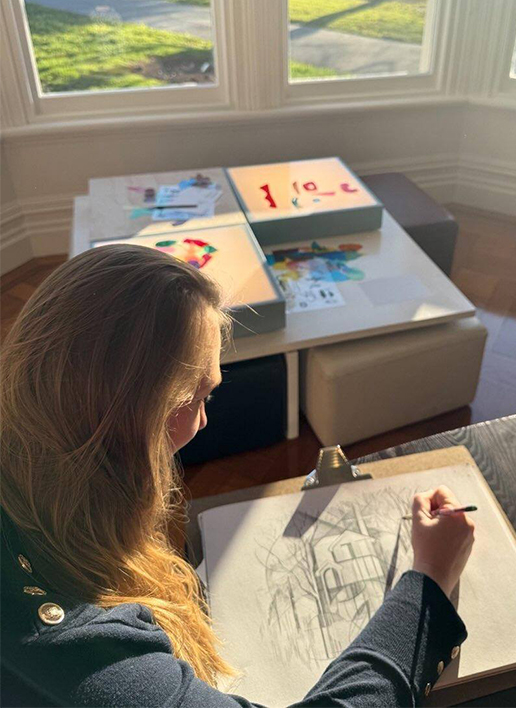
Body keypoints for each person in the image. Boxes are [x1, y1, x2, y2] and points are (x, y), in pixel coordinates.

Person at [0, 245, 473, 706]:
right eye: (196, 397)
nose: (204, 419)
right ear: (132, 415)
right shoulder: (83, 654)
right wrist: (430, 581)